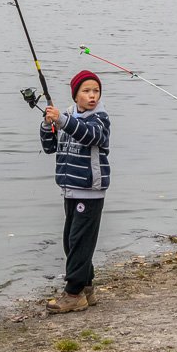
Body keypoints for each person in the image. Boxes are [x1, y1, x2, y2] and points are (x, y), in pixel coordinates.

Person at [40, 69, 110, 313]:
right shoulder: (68, 116)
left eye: (96, 91)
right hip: (70, 189)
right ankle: (87, 288)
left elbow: (91, 136)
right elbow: (50, 147)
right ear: (76, 94)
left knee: (79, 242)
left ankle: (73, 294)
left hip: (90, 191)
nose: (92, 96)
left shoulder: (99, 118)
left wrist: (62, 121)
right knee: (72, 242)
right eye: (86, 91)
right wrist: (47, 124)